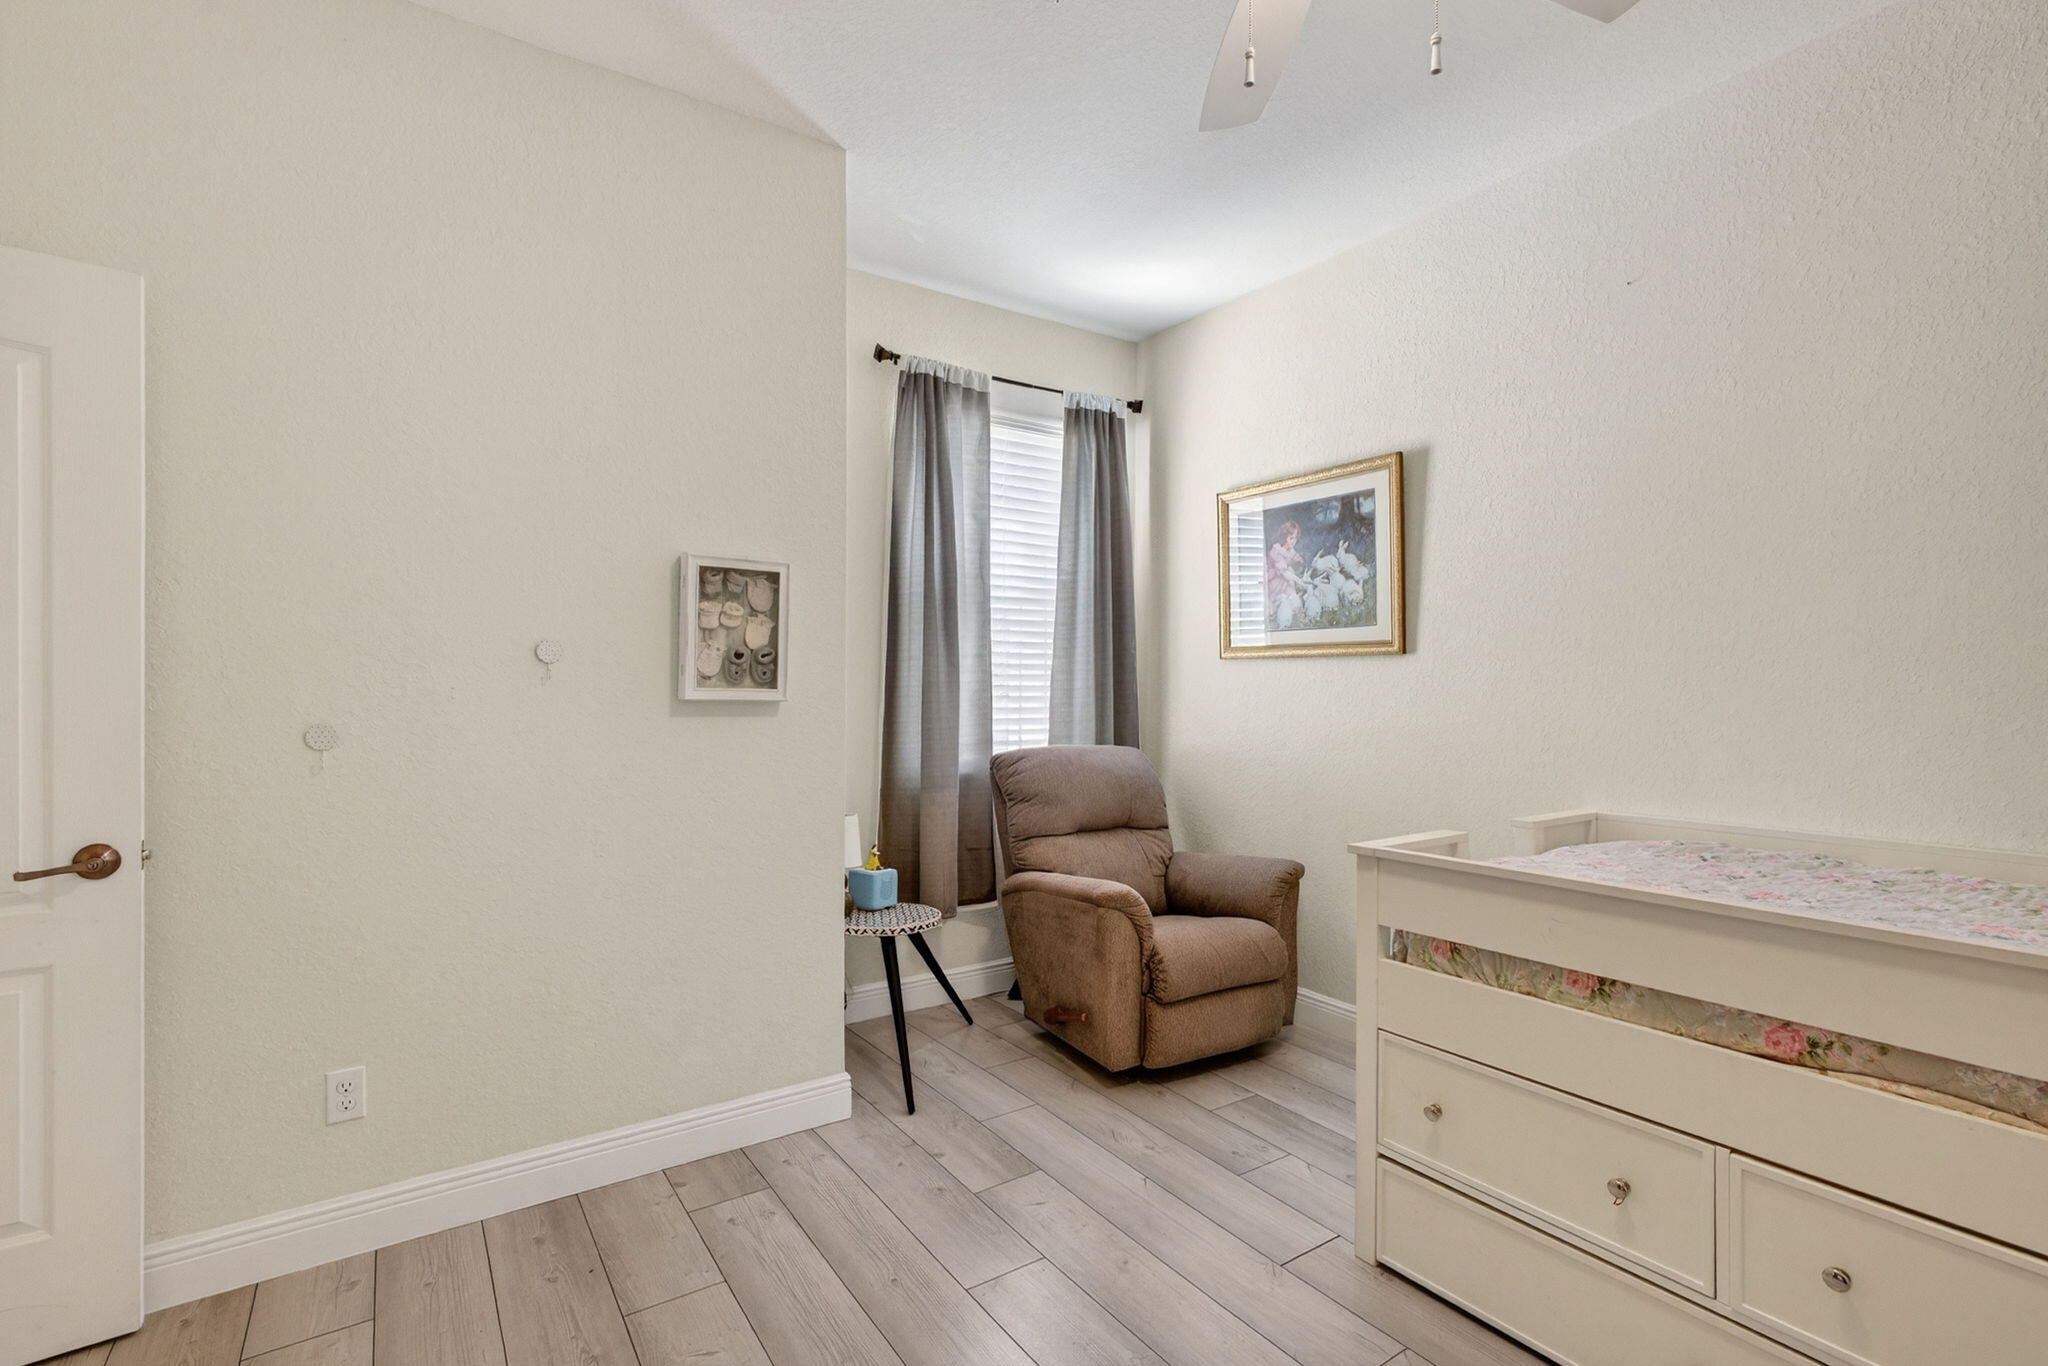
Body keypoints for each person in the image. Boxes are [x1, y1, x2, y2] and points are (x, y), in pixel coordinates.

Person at [1265, 520, 1305, 627]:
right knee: (1283, 599)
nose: (1293, 541)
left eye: (1295, 538)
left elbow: (1298, 560)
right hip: (1275, 581)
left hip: (1286, 580)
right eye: (1291, 538)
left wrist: (1298, 561)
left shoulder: (1290, 550)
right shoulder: (1276, 551)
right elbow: (1284, 572)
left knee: (1294, 600)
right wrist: (1299, 581)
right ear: (1284, 537)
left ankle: (1294, 615)